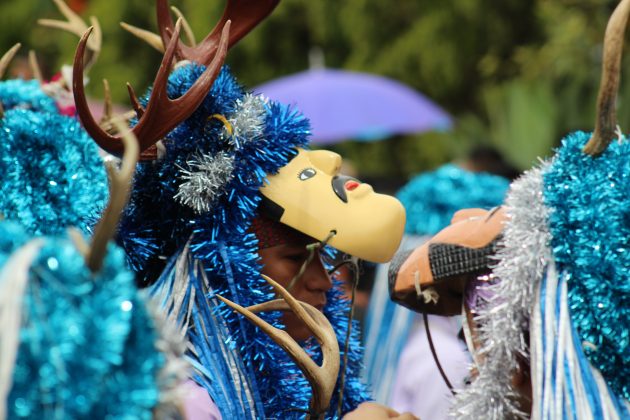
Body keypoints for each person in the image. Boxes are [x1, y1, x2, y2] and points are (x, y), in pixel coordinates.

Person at [71, 1, 406, 418]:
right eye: (295, 258)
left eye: (324, 256)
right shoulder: (185, 402)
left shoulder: (290, 378)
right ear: (222, 268)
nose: (324, 282)